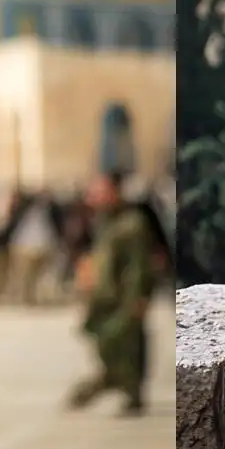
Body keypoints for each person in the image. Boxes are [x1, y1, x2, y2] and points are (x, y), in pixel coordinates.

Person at [67, 173, 160, 414]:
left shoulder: (132, 224)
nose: (92, 196)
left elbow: (138, 265)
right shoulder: (104, 222)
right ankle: (115, 387)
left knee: (124, 343)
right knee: (106, 342)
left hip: (122, 298)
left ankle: (123, 391)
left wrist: (138, 298)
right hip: (104, 296)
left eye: (99, 191)